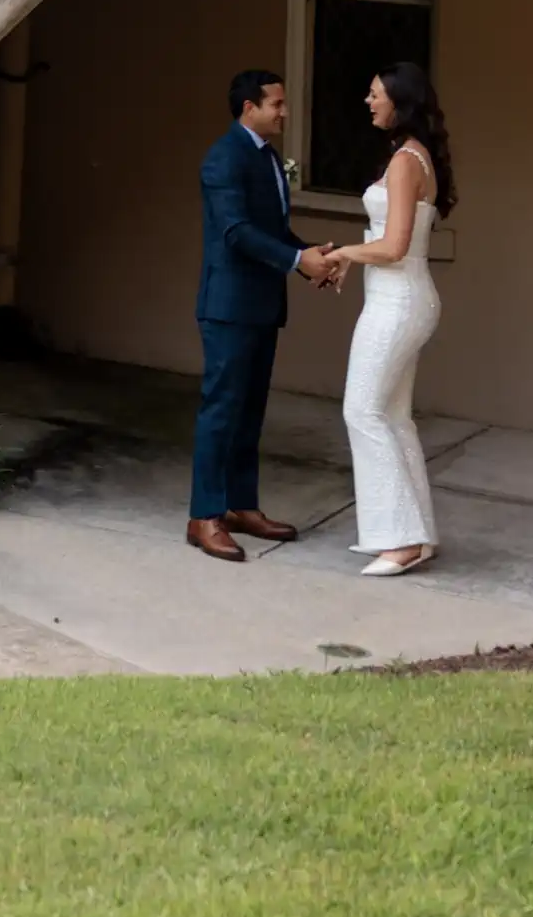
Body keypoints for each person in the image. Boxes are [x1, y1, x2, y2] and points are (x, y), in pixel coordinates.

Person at [188, 65, 342, 562]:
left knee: (250, 411)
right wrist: (298, 260)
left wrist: (310, 257)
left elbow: (273, 230)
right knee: (220, 410)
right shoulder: (223, 158)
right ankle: (204, 516)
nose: (285, 112)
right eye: (276, 104)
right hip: (229, 308)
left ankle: (240, 506)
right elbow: (235, 231)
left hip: (262, 306)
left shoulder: (270, 158)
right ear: (248, 108)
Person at [316, 59, 454, 575]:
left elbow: (394, 246)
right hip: (406, 298)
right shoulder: (415, 157)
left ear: (401, 101)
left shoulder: (404, 163)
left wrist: (346, 254)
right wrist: (357, 257)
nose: (368, 101)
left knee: (363, 411)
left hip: (398, 302)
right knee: (393, 416)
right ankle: (416, 536)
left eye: (376, 94)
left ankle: (400, 540)